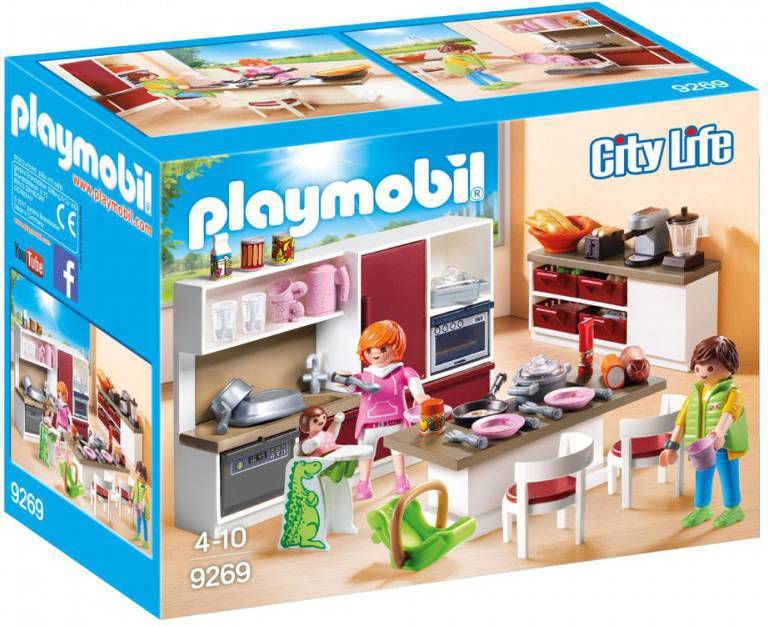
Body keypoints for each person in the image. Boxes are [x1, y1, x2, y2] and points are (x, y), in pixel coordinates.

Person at [659, 336, 747, 529]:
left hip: (724, 446)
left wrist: (720, 432)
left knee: (728, 475)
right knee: (702, 476)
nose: (702, 373)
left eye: (710, 368)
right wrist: (672, 446)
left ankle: (734, 509)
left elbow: (730, 413)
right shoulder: (696, 395)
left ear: (729, 365)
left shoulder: (733, 393)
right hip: (701, 447)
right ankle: (702, 508)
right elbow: (681, 421)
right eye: (698, 368)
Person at [342, 320, 429, 500]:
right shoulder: (364, 376)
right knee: (366, 453)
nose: (375, 353)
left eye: (382, 349)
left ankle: (401, 479)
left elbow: (415, 385)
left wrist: (420, 397)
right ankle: (364, 483)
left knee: (397, 451)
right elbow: (351, 387)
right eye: (369, 349)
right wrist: (345, 380)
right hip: (369, 425)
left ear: (396, 348)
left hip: (395, 422)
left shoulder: (402, 372)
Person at [438, 42, 519, 91]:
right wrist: (481, 68)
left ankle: (498, 82)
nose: (467, 52)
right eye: (461, 51)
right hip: (463, 70)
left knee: (484, 74)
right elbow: (465, 64)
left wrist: (508, 57)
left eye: (468, 51)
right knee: (473, 76)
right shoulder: (450, 58)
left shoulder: (468, 54)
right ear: (450, 51)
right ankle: (484, 85)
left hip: (473, 68)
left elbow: (486, 57)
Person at [131, 461, 150, 549]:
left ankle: (146, 541)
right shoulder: (137, 481)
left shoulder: (143, 483)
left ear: (141, 473)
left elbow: (144, 496)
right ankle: (138, 535)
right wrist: (132, 499)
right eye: (137, 472)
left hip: (143, 505)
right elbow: (134, 490)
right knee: (138, 519)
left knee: (144, 522)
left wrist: (141, 505)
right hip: (137, 503)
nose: (137, 474)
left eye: (138, 472)